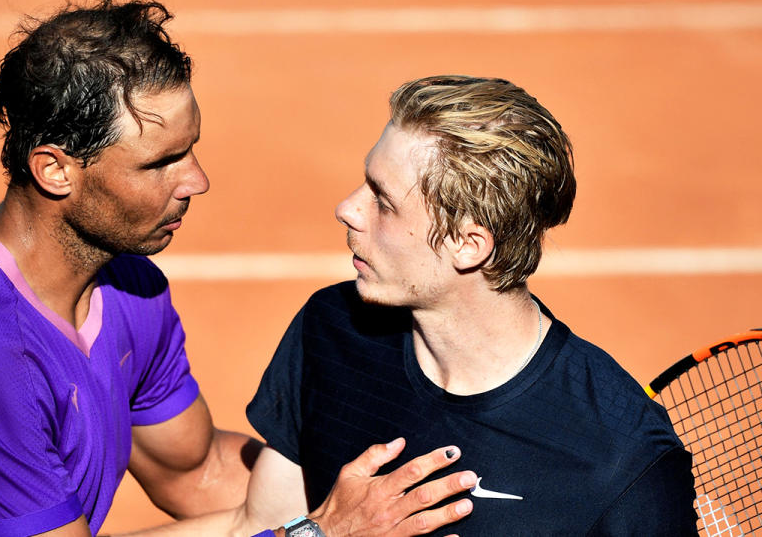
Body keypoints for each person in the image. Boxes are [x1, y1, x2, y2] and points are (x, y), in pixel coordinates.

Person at [0, 0, 476, 536]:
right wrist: (322, 535)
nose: (197, 181)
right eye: (159, 163)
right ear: (55, 169)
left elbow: (192, 473)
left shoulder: (127, 286)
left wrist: (408, 499)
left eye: (190, 151)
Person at [245, 75, 699, 535]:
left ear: (468, 244)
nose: (347, 208)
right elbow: (260, 523)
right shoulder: (333, 328)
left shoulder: (621, 460)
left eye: (382, 201)